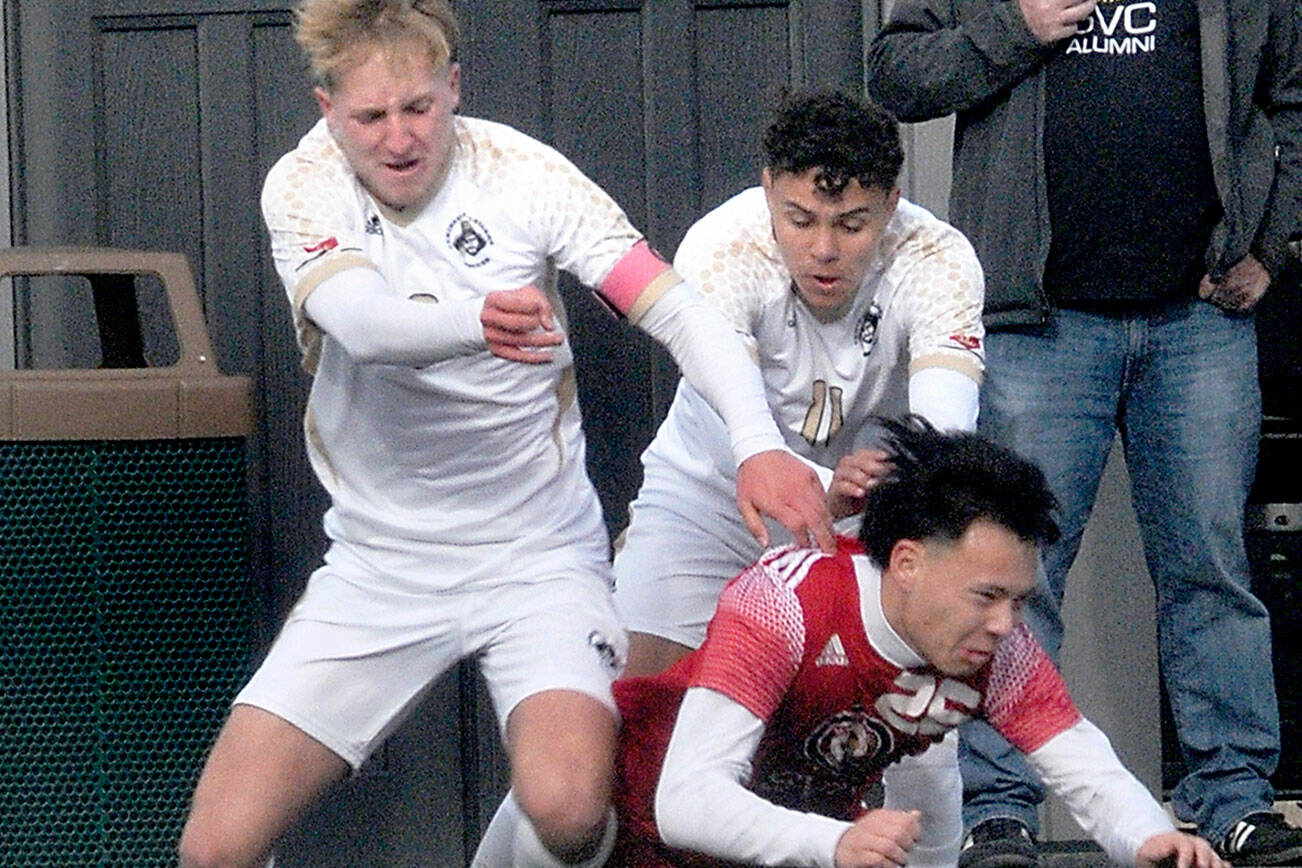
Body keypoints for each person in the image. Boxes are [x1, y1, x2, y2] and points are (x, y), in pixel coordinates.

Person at [176, 2, 836, 867]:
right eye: (371, 116)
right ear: (326, 109)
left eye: (419, 106)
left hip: (537, 557)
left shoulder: (524, 175)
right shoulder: (301, 186)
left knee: (568, 809)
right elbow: (363, 324)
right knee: (213, 850)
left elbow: (680, 312)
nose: (399, 136)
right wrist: (471, 320)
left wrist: (759, 443)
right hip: (381, 563)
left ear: (453, 87)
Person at [866, 1, 1302, 866]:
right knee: (1011, 580)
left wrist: (1273, 242)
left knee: (1210, 570)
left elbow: (1289, 101)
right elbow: (897, 75)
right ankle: (999, 809)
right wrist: (1014, 28)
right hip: (1039, 317)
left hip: (1200, 311)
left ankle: (1236, 801)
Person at [610, 416, 1225, 868]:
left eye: (1017, 599)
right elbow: (685, 802)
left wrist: (1151, 836)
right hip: (625, 830)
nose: (1006, 625)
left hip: (789, 849)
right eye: (986, 596)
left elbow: (1084, 764)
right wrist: (833, 843)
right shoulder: (786, 600)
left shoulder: (996, 647)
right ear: (905, 564)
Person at [613, 90, 986, 679]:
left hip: (870, 511)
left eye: (852, 224)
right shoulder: (721, 246)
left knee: (909, 722)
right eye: (800, 219)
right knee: (637, 703)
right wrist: (818, 481)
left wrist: (904, 480)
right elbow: (736, 415)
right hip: (708, 500)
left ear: (891, 204)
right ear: (767, 191)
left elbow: (943, 436)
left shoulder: (939, 258)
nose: (824, 250)